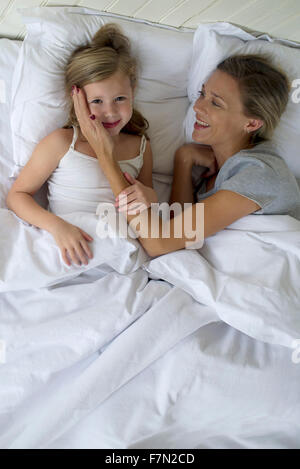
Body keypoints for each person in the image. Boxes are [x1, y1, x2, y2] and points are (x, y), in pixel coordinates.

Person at [72, 53, 300, 257]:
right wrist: (183, 160)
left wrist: (105, 155)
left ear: (251, 123)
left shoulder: (259, 175)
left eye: (216, 103)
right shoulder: (216, 173)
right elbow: (175, 232)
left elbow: (159, 244)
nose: (198, 107)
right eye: (202, 93)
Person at [6, 24, 155, 266]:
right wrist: (57, 226)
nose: (110, 112)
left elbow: (148, 200)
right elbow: (18, 196)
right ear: (77, 100)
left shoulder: (141, 147)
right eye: (97, 101)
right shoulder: (63, 142)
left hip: (120, 252)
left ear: (133, 91)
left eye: (120, 98)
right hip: (72, 248)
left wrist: (149, 195)